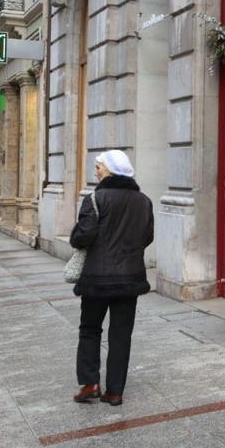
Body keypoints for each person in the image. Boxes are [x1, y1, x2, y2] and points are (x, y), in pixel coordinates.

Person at [70, 150, 154, 406]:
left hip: (97, 279)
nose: (96, 171)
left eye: (99, 167)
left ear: (110, 170)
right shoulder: (144, 201)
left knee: (90, 329)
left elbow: (82, 237)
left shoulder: (95, 199)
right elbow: (147, 236)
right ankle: (115, 391)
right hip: (130, 279)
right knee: (121, 335)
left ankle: (90, 383)